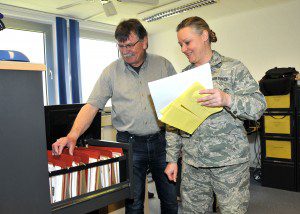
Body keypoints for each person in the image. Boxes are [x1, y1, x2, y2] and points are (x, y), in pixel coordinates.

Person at [52, 19, 178, 214]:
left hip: (162, 142)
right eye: (121, 46)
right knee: (133, 203)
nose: (125, 51)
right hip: (130, 144)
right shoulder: (111, 72)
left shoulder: (163, 66)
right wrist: (72, 135)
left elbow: (178, 103)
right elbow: (92, 105)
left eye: (130, 45)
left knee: (170, 199)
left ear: (144, 41)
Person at [164, 16, 266, 213]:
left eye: (187, 42)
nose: (183, 49)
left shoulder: (233, 68)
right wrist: (171, 159)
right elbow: (173, 123)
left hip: (229, 165)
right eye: (180, 45)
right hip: (193, 166)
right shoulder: (182, 77)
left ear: (204, 36)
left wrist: (227, 99)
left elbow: (259, 106)